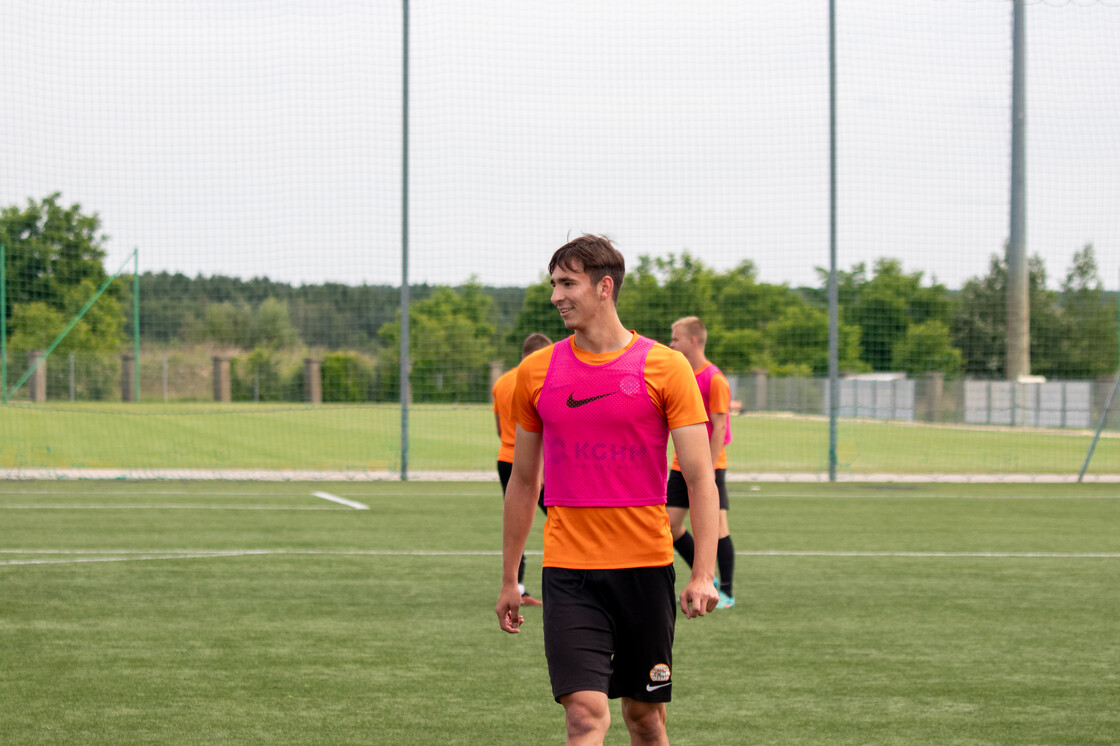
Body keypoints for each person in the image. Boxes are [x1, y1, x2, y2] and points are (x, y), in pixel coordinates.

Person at [496, 234, 720, 746]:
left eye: (567, 283)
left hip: (644, 568)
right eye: (553, 284)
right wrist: (511, 578)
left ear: (604, 287)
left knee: (644, 719)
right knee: (585, 715)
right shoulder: (536, 372)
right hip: (569, 573)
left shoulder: (666, 367)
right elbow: (525, 481)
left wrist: (703, 573)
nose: (556, 296)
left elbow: (699, 477)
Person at [667, 316, 737, 610]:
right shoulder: (682, 375)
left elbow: (720, 427)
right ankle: (706, 574)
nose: (671, 344)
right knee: (669, 526)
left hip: (710, 466)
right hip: (680, 465)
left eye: (675, 339)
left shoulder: (715, 379)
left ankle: (727, 592)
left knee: (718, 527)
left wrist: (707, 468)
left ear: (692, 341)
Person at [492, 331, 553, 606]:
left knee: (518, 522)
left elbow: (498, 428)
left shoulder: (501, 382)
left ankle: (517, 585)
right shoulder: (541, 378)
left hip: (506, 458)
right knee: (561, 517)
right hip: (536, 461)